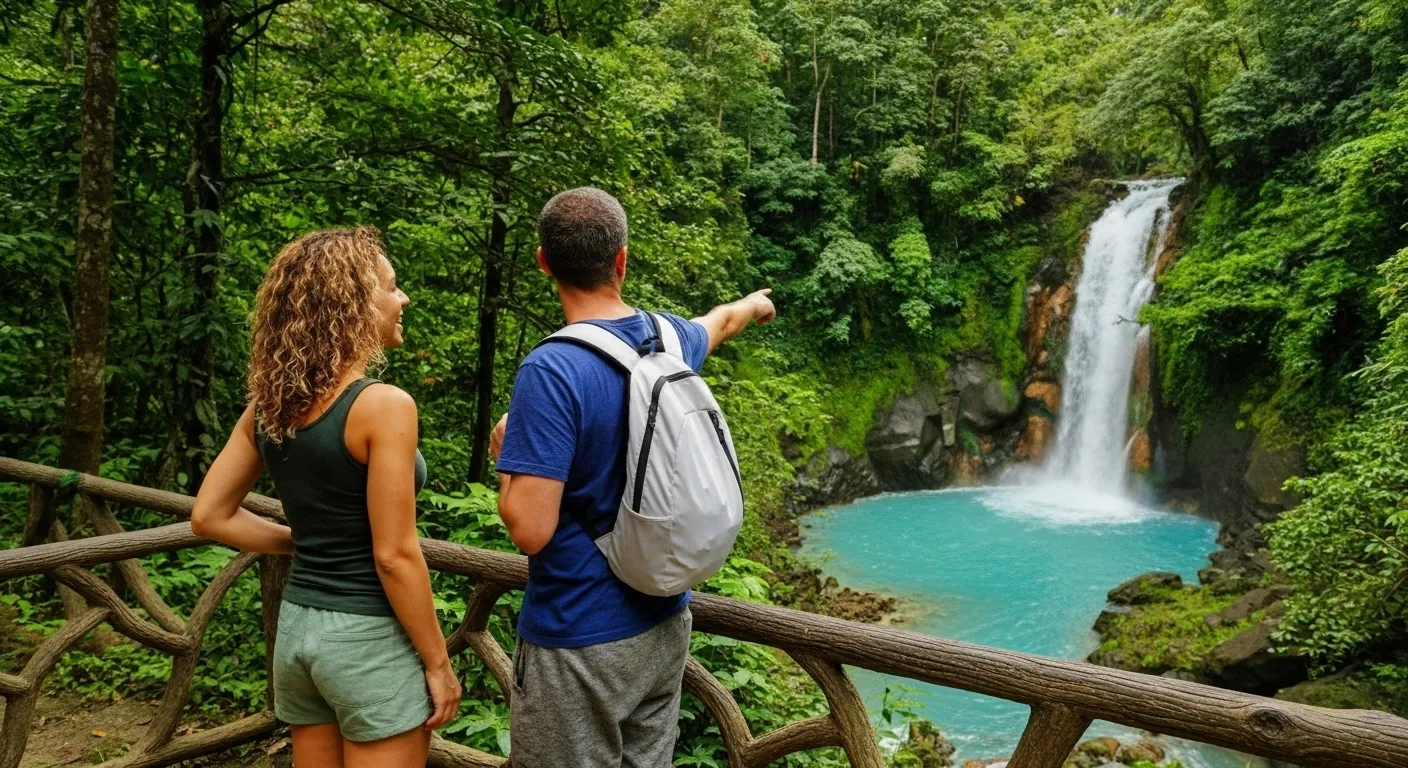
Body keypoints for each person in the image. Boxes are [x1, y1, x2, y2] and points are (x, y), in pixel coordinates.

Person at [489, 187, 776, 767]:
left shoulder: (552, 369)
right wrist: (754, 305)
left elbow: (529, 529)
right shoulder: (666, 339)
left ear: (544, 262)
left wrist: (505, 458)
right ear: (621, 260)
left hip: (578, 635)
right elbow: (719, 323)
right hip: (663, 624)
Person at [191, 226, 461, 768]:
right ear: (354, 305)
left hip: (298, 633)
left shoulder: (269, 406)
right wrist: (438, 663)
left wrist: (306, 543)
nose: (402, 298)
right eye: (391, 286)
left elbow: (209, 515)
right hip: (367, 639)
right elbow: (394, 555)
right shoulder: (384, 406)